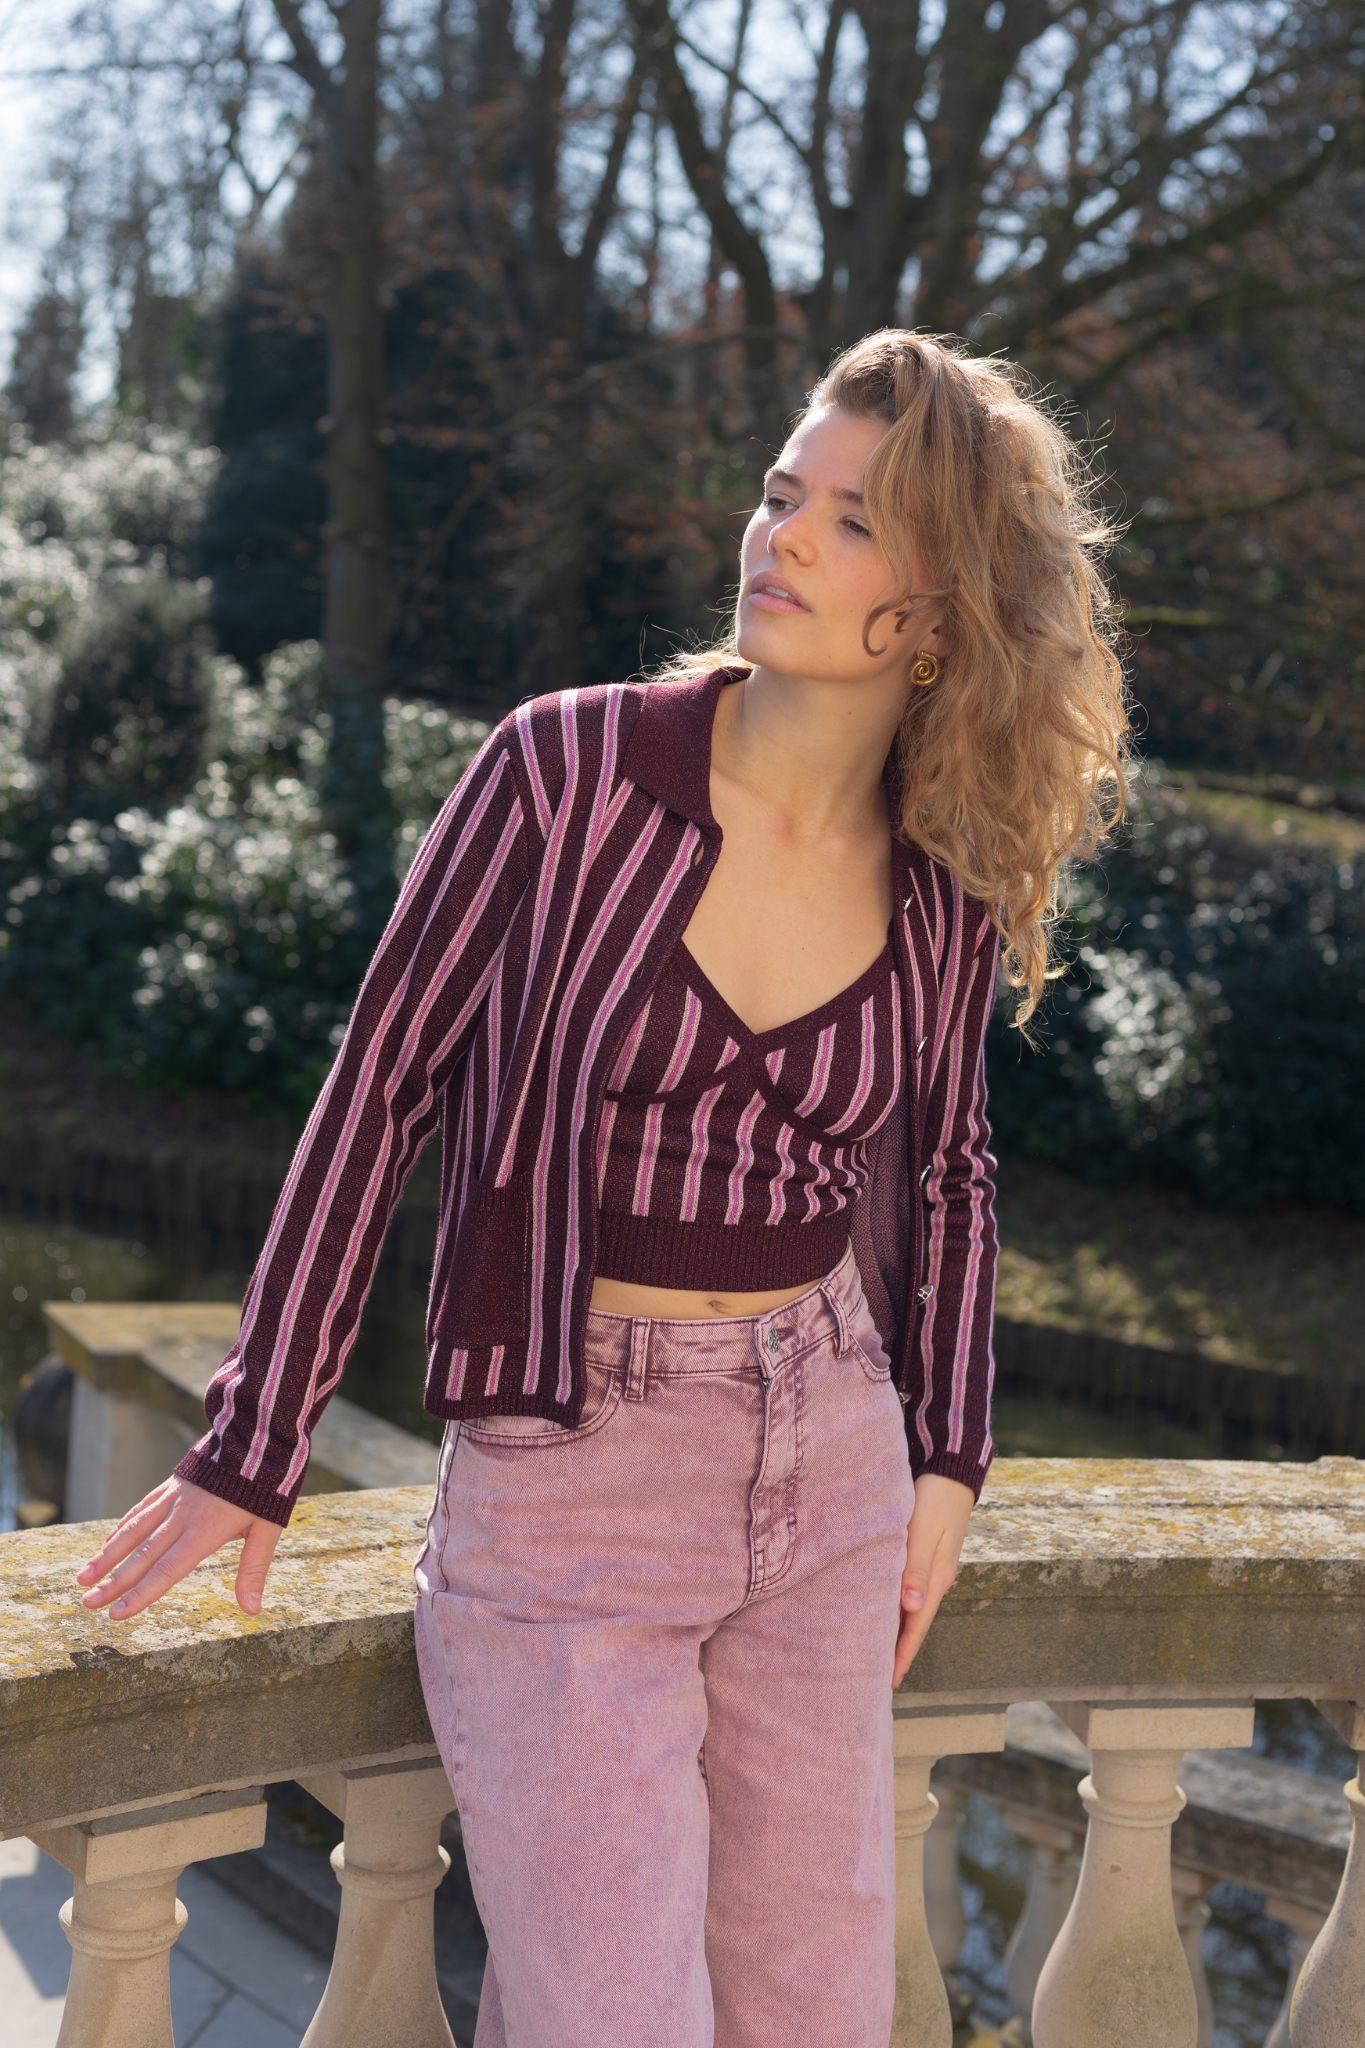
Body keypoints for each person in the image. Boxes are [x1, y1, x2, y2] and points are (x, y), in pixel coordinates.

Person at [76, 329, 1127, 2047]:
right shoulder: (563, 777)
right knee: (612, 2019)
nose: (781, 534)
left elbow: (944, 1172)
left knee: (812, 2014)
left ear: (941, 614)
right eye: (785, 493)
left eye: (854, 520)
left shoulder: (936, 886)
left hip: (834, 1463)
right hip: (573, 1488)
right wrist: (256, 1439)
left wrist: (949, 1455)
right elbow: (382, 1088)